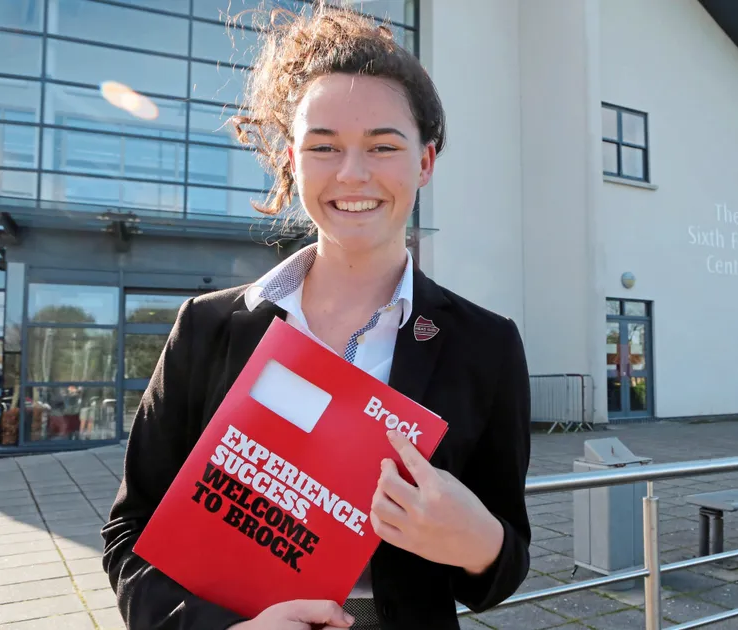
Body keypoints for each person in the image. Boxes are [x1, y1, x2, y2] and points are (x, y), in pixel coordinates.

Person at [100, 4, 532, 629]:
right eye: (323, 147)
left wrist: (478, 542)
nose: (352, 174)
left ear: (425, 162)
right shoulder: (208, 327)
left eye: (383, 146)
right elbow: (130, 532)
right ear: (292, 162)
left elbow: (503, 569)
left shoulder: (485, 346)